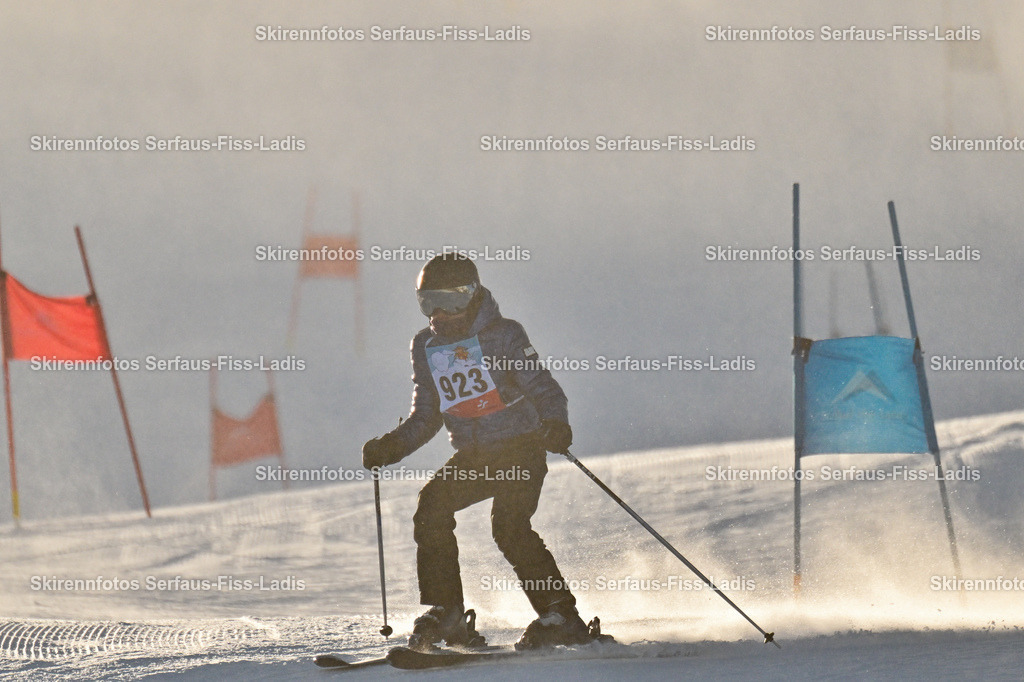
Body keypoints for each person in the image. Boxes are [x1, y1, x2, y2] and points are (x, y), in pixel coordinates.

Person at [362, 253, 594, 650]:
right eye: (427, 303)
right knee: (432, 507)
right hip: (475, 456)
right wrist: (392, 446)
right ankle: (448, 612)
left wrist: (556, 424)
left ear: (471, 296)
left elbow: (544, 389)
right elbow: (428, 414)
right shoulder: (426, 346)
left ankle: (561, 615)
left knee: (509, 526)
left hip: (521, 450)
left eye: (448, 302)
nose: (438, 314)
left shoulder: (504, 335)